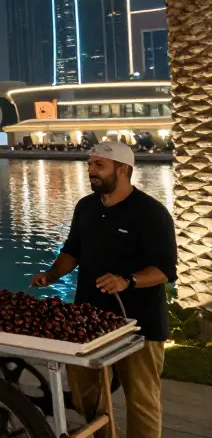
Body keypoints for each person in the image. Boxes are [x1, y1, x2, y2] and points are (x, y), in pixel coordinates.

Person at [31, 141, 177, 438]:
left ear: (123, 170)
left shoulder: (152, 213)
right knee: (85, 393)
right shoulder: (85, 207)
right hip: (89, 320)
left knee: (141, 399)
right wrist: (53, 274)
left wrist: (128, 281)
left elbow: (164, 270)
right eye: (89, 165)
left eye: (99, 165)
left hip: (140, 325)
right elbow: (72, 251)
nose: (91, 171)